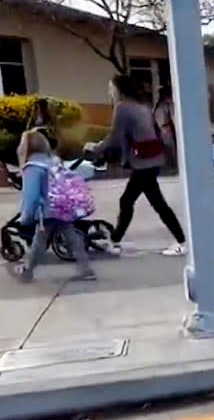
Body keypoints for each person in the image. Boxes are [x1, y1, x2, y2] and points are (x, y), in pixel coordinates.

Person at [93, 74, 187, 257]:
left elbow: (115, 137)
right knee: (153, 202)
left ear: (118, 90)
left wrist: (95, 148)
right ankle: (116, 240)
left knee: (132, 201)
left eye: (111, 88)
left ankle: (115, 241)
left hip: (143, 162)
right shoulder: (142, 106)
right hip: (153, 159)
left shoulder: (122, 108)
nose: (109, 92)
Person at [9, 130, 95, 282]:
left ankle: (28, 270)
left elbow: (32, 197)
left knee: (39, 241)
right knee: (72, 237)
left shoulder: (33, 167)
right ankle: (86, 269)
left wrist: (26, 217)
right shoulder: (54, 161)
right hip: (64, 206)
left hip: (48, 211)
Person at [154, 86, 177, 169]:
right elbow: (163, 124)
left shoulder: (164, 106)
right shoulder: (161, 108)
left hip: (167, 133)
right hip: (166, 134)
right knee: (169, 151)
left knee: (170, 151)